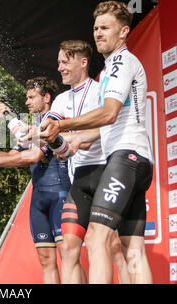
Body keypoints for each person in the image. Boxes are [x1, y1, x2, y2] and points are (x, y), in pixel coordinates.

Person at [40, 0, 153, 284]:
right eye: (95, 28)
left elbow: (108, 113)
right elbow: (112, 122)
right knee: (132, 248)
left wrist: (62, 125)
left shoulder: (120, 61)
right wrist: (77, 140)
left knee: (96, 236)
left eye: (105, 28)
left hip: (125, 158)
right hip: (136, 159)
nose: (98, 33)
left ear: (124, 31)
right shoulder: (111, 69)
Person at [0, 76, 69, 284]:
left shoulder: (52, 122)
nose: (27, 102)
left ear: (47, 97)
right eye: (26, 97)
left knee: (68, 258)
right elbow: (13, 154)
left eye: (32, 97)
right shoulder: (32, 126)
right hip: (39, 198)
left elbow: (34, 156)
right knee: (46, 259)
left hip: (60, 194)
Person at [48, 39, 130, 284]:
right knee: (68, 248)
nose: (60, 67)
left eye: (65, 62)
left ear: (83, 62)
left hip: (106, 172)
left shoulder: (100, 91)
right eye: (59, 62)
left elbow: (102, 129)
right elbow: (52, 134)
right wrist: (52, 143)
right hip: (80, 179)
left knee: (113, 247)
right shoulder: (60, 100)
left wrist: (71, 140)